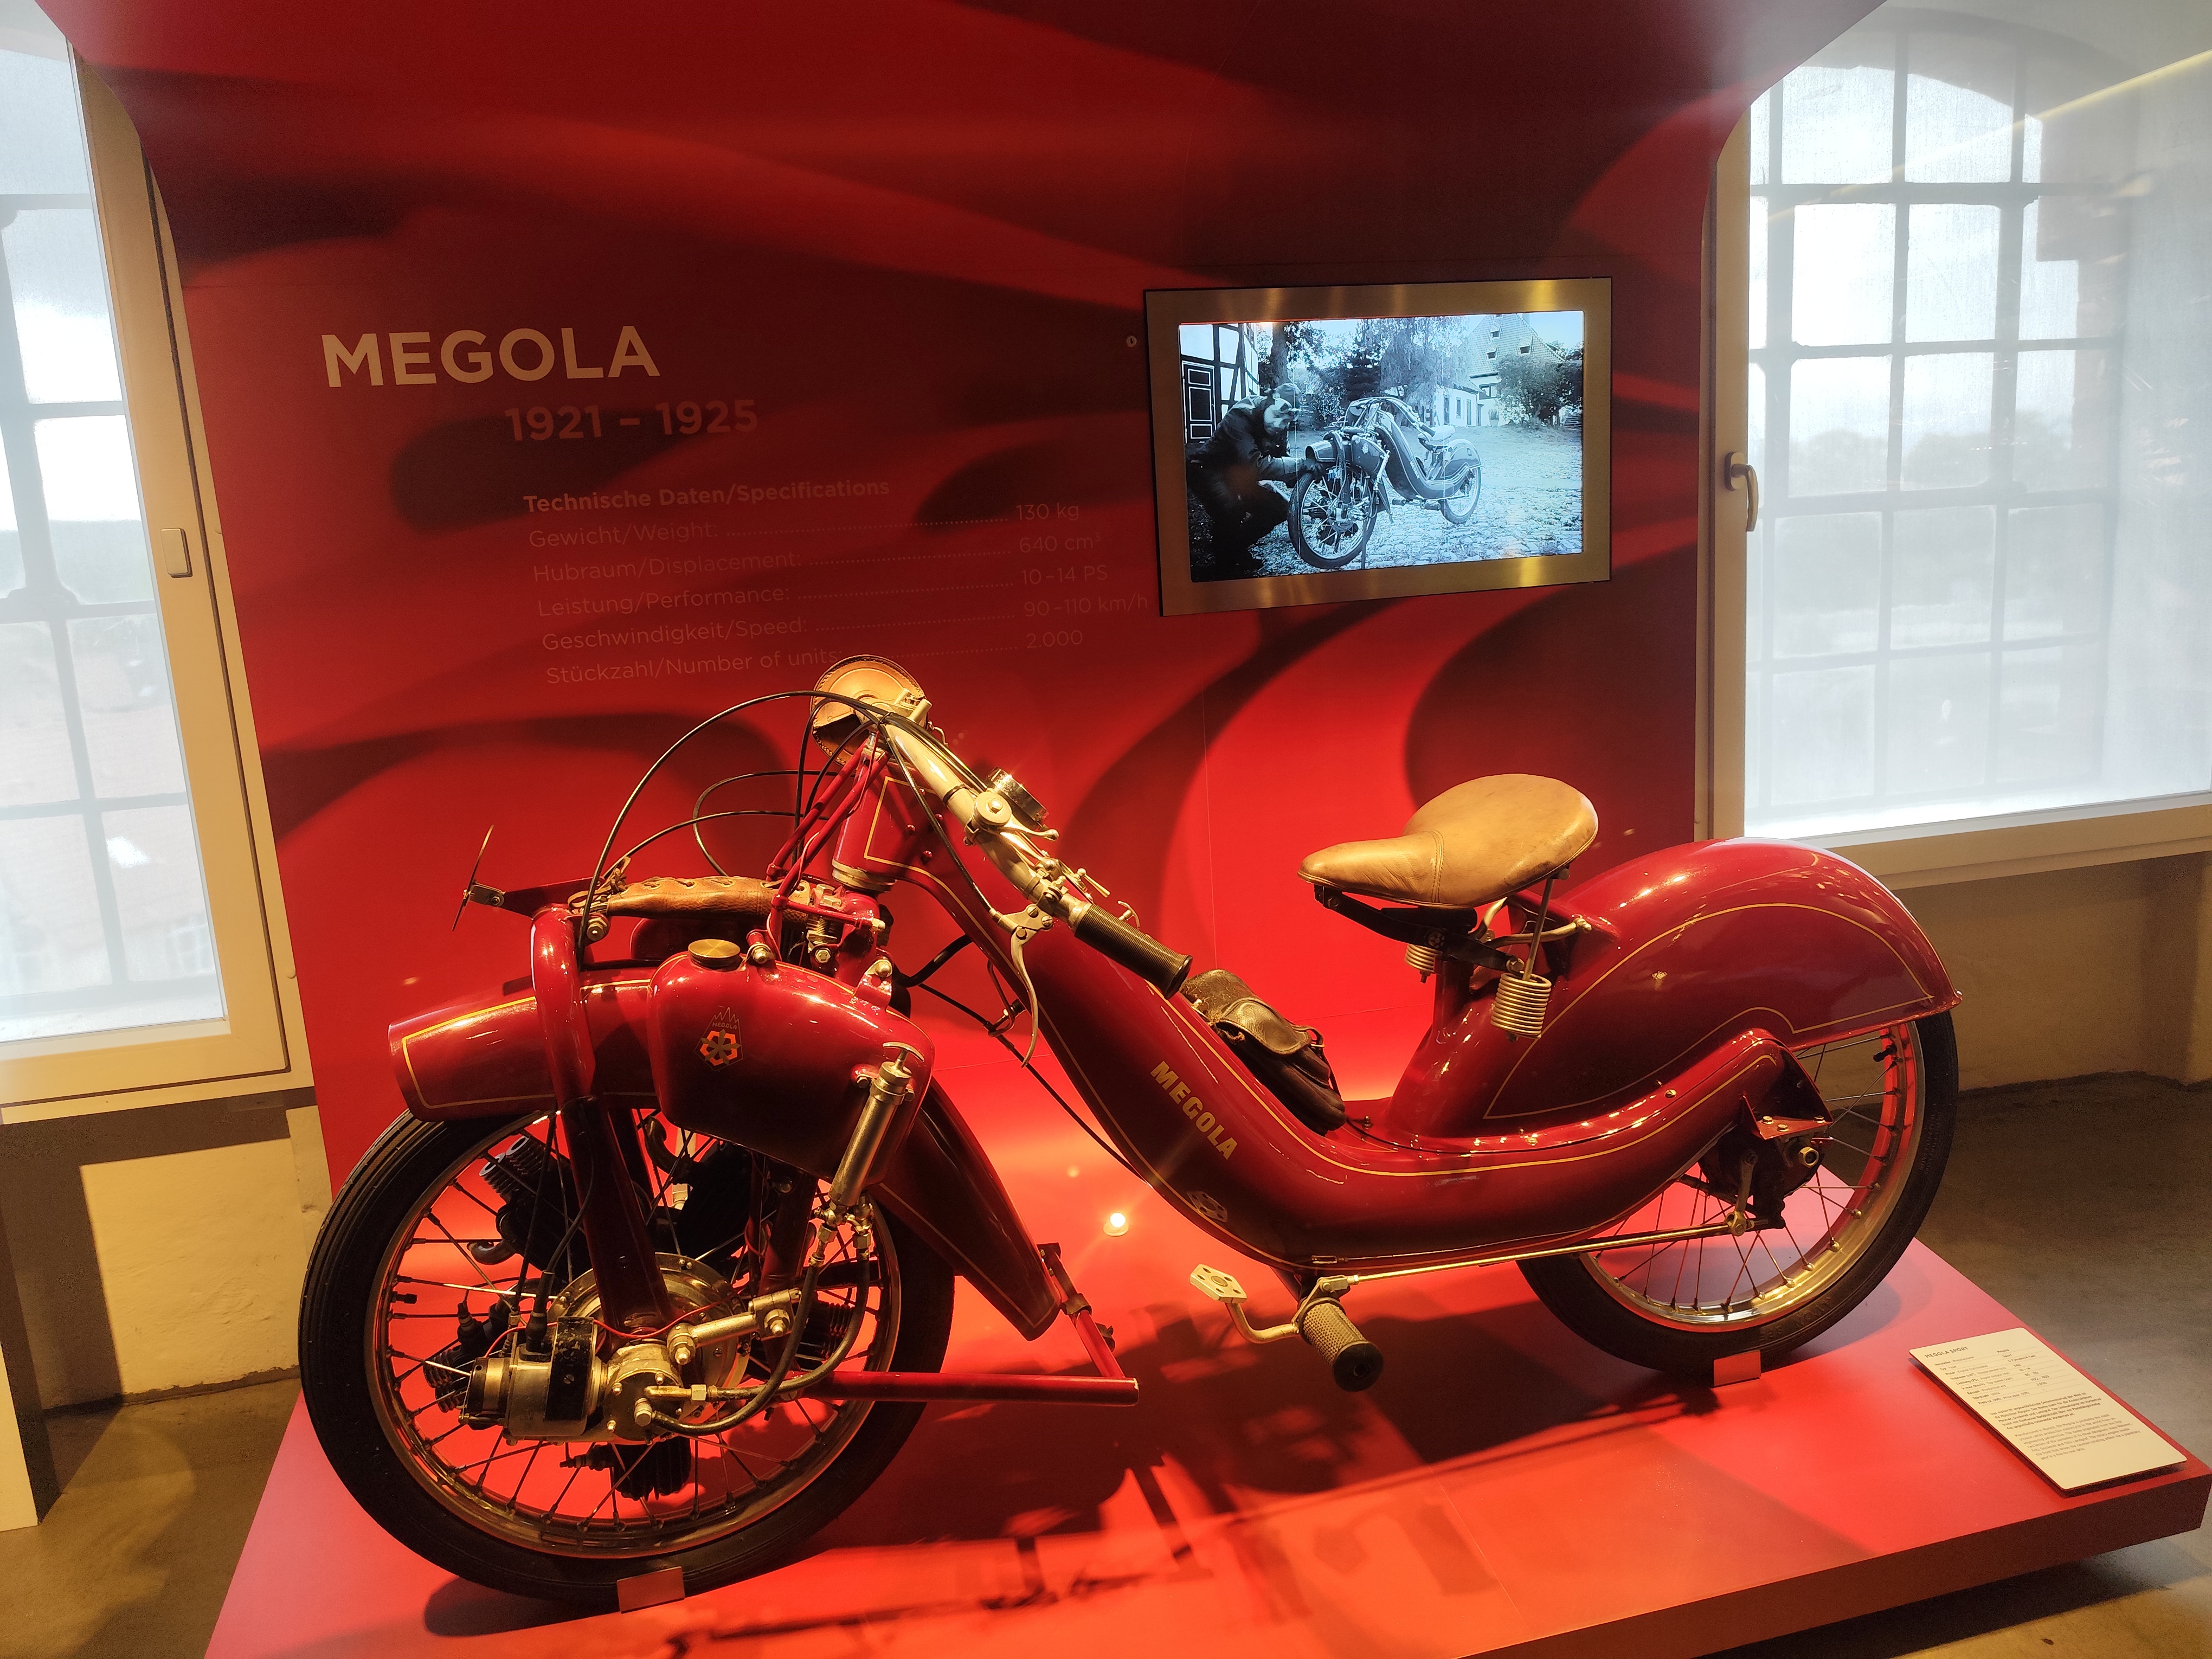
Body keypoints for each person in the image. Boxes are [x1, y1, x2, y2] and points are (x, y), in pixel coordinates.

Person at [1188, 396, 1315, 576]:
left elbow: (1281, 458)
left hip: (1240, 475)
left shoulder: (1278, 427)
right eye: (1277, 415)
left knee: (1279, 508)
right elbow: (1254, 465)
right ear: (1268, 403)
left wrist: (1304, 474)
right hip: (1209, 469)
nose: (1279, 424)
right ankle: (1223, 567)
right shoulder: (1240, 416)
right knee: (1231, 508)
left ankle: (1234, 549)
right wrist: (1299, 465)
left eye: (1286, 421)